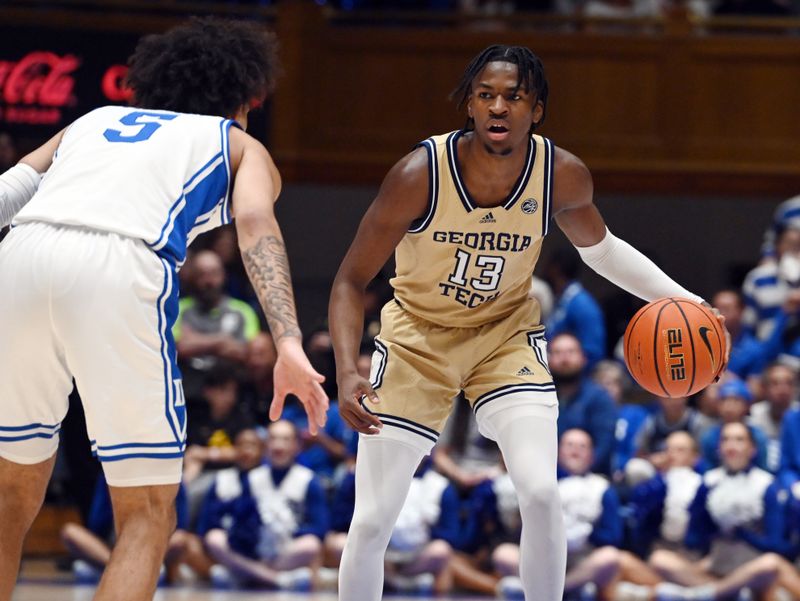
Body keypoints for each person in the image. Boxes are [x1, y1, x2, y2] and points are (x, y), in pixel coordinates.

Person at [328, 44, 722, 601]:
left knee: (540, 493)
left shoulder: (560, 174)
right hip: (417, 339)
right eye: (486, 95)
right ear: (468, 104)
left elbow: (603, 252)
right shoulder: (420, 173)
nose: (498, 107)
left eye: (514, 97)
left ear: (536, 110)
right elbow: (349, 281)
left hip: (504, 338)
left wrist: (691, 302)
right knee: (371, 522)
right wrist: (347, 371)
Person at [0, 18, 328, 601]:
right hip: (120, 265)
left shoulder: (93, 120)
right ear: (245, 98)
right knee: (149, 510)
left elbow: (10, 192)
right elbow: (256, 229)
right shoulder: (237, 142)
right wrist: (288, 343)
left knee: (9, 492)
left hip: (20, 258)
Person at [200, 424, 329, 590]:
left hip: (286, 548)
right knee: (215, 538)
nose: (278, 445)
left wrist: (285, 534)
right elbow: (239, 519)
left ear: (297, 446)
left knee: (310, 545)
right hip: (254, 549)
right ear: (266, 445)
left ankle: (246, 575)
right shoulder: (252, 478)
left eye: (285, 439)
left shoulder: (308, 480)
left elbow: (319, 527)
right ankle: (275, 579)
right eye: (273, 439)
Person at [549, 333, 617, 475]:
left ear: (583, 358)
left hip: (592, 477)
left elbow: (604, 445)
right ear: (548, 360)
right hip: (547, 475)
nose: (564, 358)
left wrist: (576, 473)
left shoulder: (599, 397)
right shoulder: (539, 399)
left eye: (571, 352)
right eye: (557, 353)